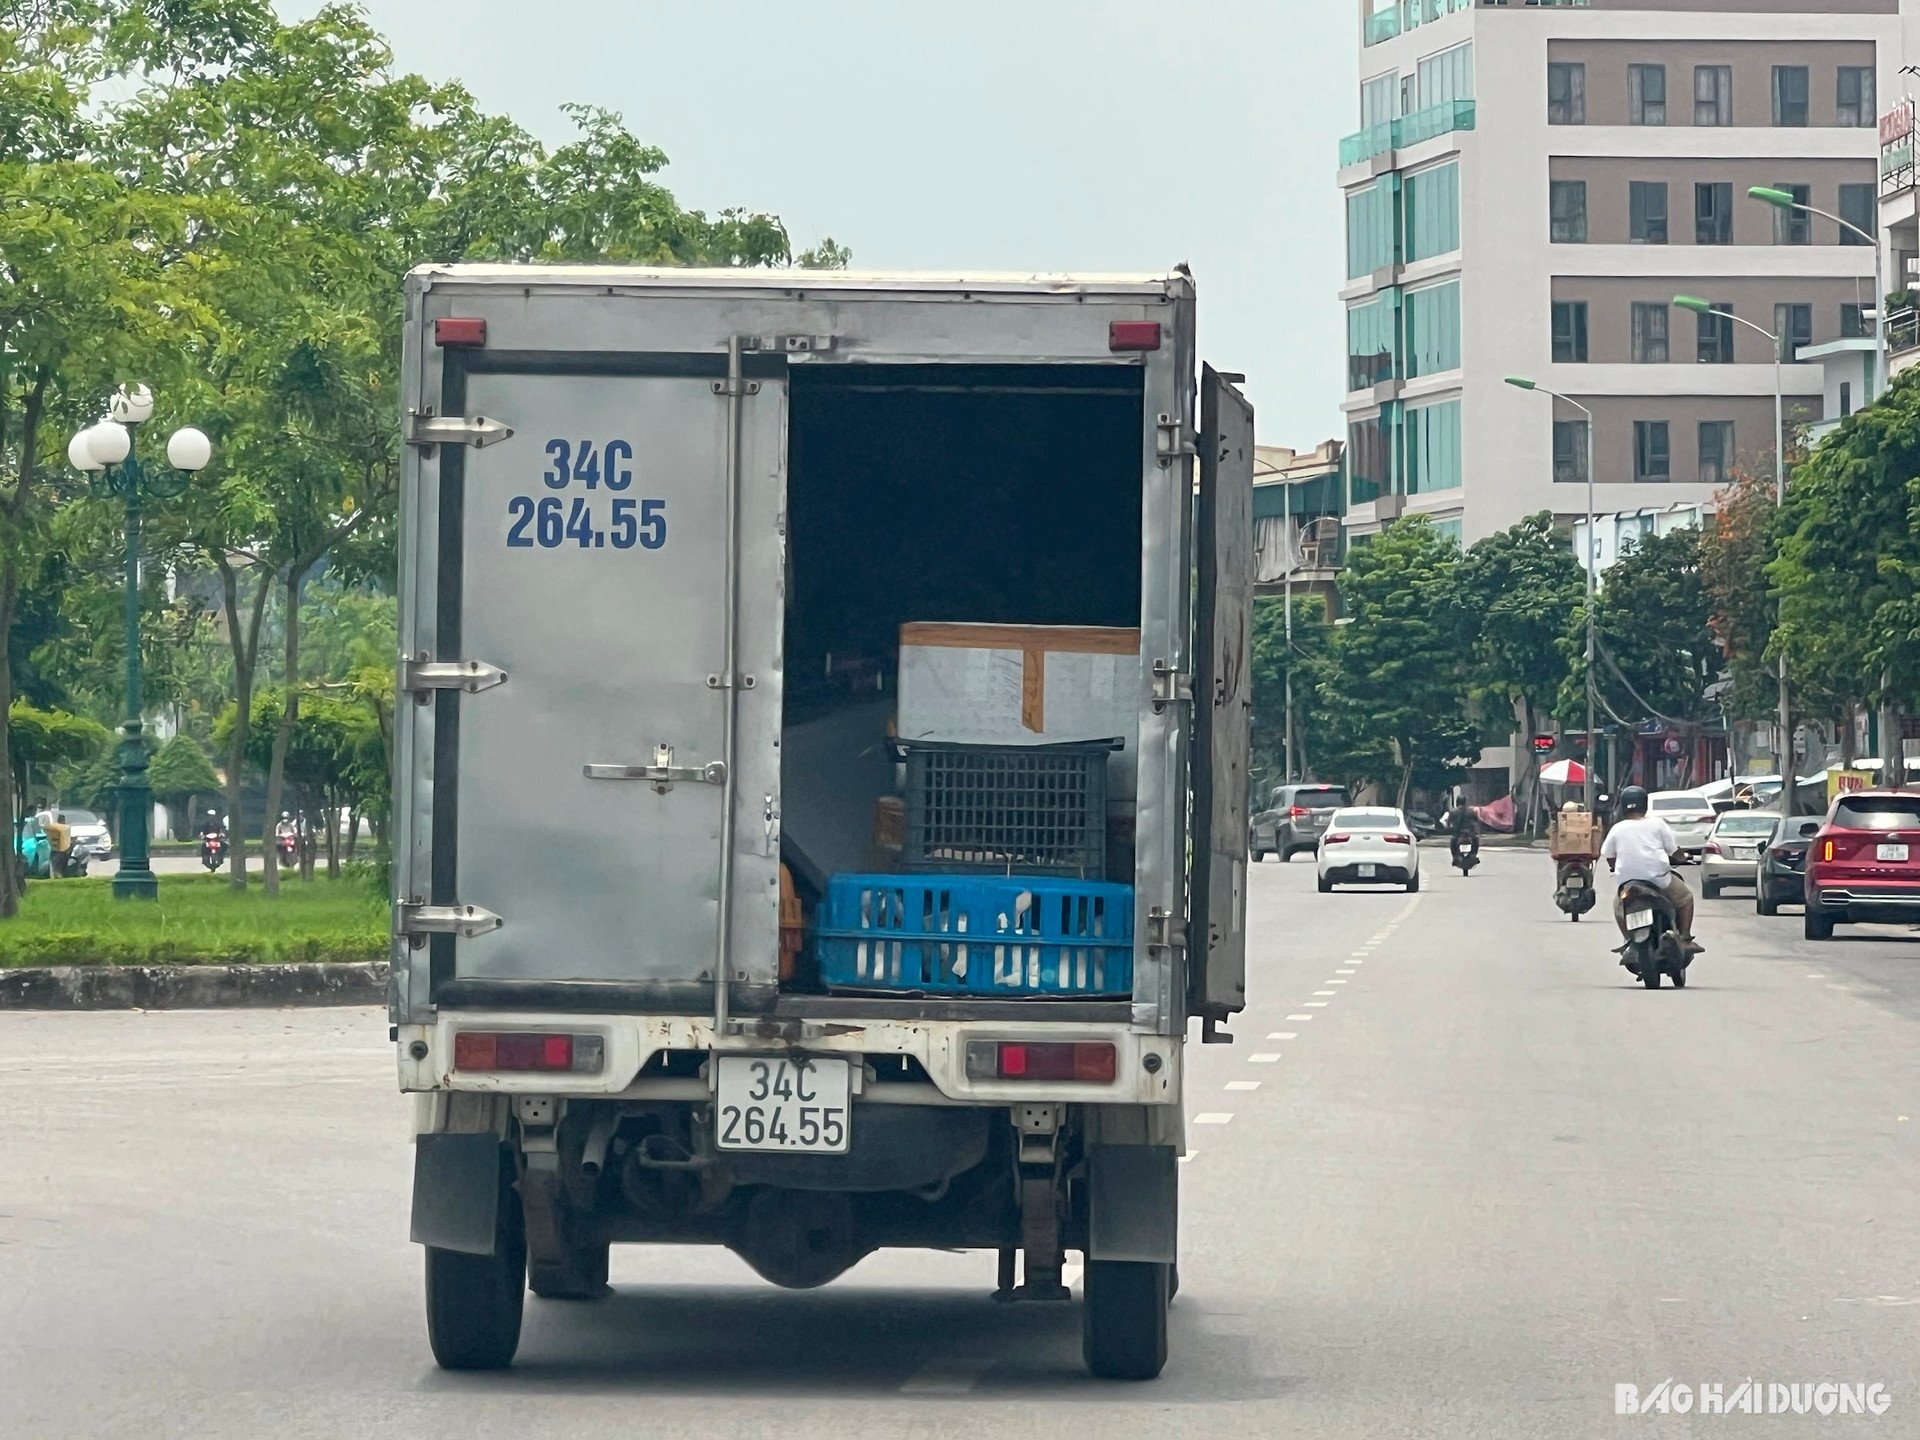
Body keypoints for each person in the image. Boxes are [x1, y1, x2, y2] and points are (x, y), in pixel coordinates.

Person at [1599, 785, 1704, 955]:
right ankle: (1685, 938)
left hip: (1628, 883)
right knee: (1686, 898)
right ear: (1644, 805)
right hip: (1658, 879)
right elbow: (1673, 850)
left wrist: (1614, 866)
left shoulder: (1617, 828)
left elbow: (1608, 854)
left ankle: (1628, 940)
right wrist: (1682, 857)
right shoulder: (1657, 824)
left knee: (1619, 908)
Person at [1444, 789, 1480, 866]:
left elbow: (1448, 824)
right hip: (1470, 834)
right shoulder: (1471, 811)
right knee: (1476, 841)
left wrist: (1448, 828)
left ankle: (1454, 858)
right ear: (1465, 802)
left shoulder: (1453, 812)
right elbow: (1477, 822)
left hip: (1458, 834)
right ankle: (1474, 855)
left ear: (1457, 802)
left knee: (1452, 843)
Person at [44, 811, 72, 879]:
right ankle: (58, 874)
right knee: (58, 863)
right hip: (58, 849)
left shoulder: (59, 828)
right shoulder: (61, 828)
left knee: (60, 863)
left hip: (60, 849)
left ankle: (60, 874)